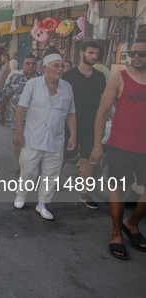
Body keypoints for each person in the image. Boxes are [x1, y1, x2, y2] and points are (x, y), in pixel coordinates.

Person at [91, 39, 146, 260]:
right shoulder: (118, 78)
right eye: (133, 53)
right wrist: (97, 145)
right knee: (119, 189)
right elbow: (102, 112)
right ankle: (116, 233)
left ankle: (131, 222)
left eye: (141, 54)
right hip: (120, 145)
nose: (136, 57)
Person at [14, 52, 76, 220]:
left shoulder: (67, 87)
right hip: (33, 138)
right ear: (46, 68)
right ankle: (21, 195)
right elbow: (21, 108)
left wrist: (73, 136)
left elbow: (71, 113)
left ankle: (42, 204)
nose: (60, 69)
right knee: (28, 170)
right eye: (56, 65)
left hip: (56, 140)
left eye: (61, 66)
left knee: (51, 174)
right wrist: (19, 132)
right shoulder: (33, 84)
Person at [62, 41, 106, 210]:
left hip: (92, 125)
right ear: (81, 53)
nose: (94, 56)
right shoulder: (69, 75)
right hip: (70, 124)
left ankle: (85, 193)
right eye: (90, 53)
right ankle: (50, 184)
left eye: (96, 54)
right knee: (64, 155)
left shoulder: (100, 76)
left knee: (88, 158)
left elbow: (103, 100)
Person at [0, 54, 40, 177]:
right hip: (16, 116)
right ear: (23, 65)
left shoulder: (42, 79)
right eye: (28, 63)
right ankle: (19, 166)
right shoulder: (15, 77)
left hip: (36, 119)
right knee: (18, 141)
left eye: (33, 63)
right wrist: (1, 113)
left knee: (33, 143)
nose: (31, 66)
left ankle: (32, 165)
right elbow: (5, 95)